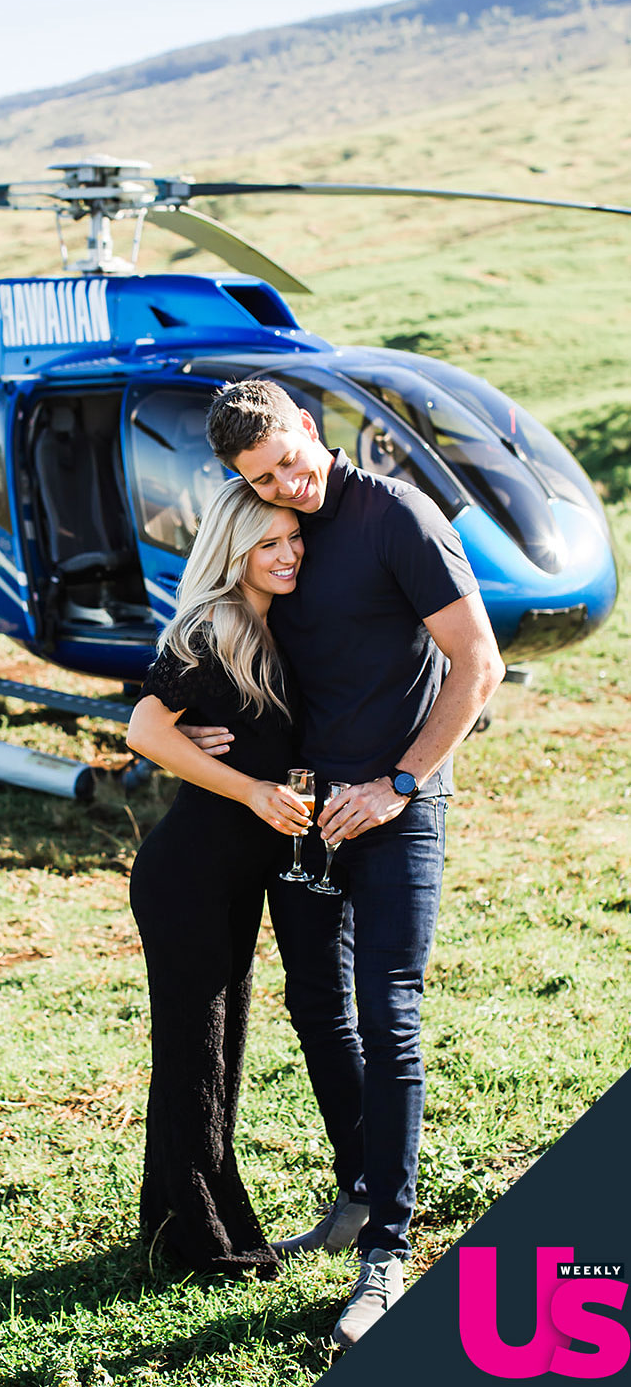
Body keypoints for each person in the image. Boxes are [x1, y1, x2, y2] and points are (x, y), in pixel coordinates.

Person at [184, 379, 504, 1345]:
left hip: (395, 807)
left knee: (387, 1012)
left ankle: (387, 1256)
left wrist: (399, 785)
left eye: (289, 459)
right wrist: (208, 720)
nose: (288, 486)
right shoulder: (276, 530)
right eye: (261, 477)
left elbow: (477, 662)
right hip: (305, 811)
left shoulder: (394, 515)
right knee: (316, 1008)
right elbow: (251, 644)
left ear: (309, 430)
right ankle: (359, 1195)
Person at [125, 478, 313, 1279]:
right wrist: (251, 791)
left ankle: (182, 1224)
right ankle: (199, 1245)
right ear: (234, 552)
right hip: (188, 877)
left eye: (292, 538)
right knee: (195, 1055)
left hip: (231, 878)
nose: (286, 553)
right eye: (266, 543)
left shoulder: (271, 626)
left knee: (216, 1051)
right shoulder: (216, 623)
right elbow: (142, 728)